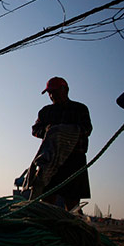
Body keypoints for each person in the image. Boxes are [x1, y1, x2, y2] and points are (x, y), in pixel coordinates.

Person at [29, 77, 92, 211]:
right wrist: (48, 131)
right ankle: (47, 226)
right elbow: (35, 129)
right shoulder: (45, 111)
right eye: (49, 93)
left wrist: (64, 131)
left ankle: (73, 228)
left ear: (65, 90)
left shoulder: (80, 109)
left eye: (55, 91)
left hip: (74, 160)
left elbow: (87, 129)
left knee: (72, 203)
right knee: (47, 200)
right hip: (51, 159)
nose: (52, 95)